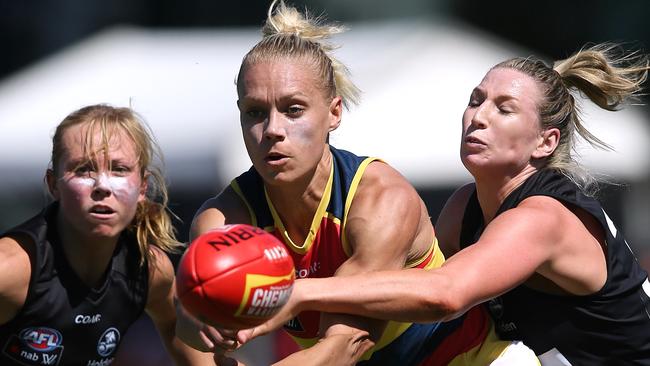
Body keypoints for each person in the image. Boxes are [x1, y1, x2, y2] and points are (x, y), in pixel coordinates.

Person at [238, 43, 650, 365]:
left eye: (503, 109)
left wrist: (300, 292)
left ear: (546, 142)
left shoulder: (543, 217)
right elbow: (416, 294)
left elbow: (444, 294)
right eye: (476, 100)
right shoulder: (464, 207)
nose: (478, 117)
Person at [178, 1, 538, 365]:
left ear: (334, 113)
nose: (272, 130)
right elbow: (189, 326)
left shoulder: (379, 200)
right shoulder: (222, 220)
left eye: (293, 110)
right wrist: (204, 325)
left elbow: (347, 346)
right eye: (254, 112)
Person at [0, 104, 214, 365]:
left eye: (119, 169)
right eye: (83, 169)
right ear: (53, 184)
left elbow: (175, 327)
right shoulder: (11, 269)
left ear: (143, 187)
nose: (102, 186)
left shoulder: (149, 270)